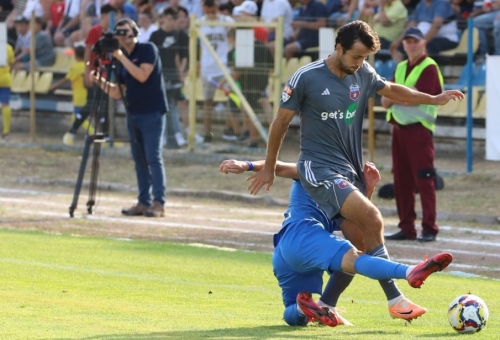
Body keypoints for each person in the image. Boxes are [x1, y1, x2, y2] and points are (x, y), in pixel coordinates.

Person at [246, 21, 463, 282]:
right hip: (319, 169)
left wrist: (433, 98)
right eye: (357, 56)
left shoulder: (363, 73)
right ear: (339, 48)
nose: (360, 62)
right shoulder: (306, 77)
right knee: (372, 219)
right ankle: (400, 289)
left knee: (360, 245)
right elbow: (280, 122)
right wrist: (268, 167)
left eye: (365, 57)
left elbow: (392, 89)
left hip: (349, 169)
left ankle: (329, 303)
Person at [219, 158, 453, 327]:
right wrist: (247, 165)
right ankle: (410, 271)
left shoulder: (326, 179)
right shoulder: (318, 170)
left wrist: (368, 192)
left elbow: (357, 229)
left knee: (295, 312)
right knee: (354, 258)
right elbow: (279, 166)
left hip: (284, 251)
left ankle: (309, 307)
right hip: (304, 237)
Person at [92, 18, 169, 218]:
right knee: (139, 160)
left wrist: (120, 56)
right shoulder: (123, 59)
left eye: (125, 31)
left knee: (153, 158)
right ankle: (144, 202)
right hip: (133, 113)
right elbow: (118, 92)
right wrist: (99, 80)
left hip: (152, 112)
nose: (121, 35)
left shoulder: (147, 49)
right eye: (118, 32)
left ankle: (158, 202)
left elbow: (142, 75)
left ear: (134, 32)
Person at [381, 27, 443, 242]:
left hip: (419, 130)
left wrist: (398, 95)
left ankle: (429, 228)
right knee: (401, 181)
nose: (411, 44)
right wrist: (405, 94)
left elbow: (417, 98)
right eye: (408, 41)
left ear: (424, 43)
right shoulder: (400, 67)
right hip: (399, 130)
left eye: (415, 41)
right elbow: (384, 99)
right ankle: (407, 228)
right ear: (403, 44)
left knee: (425, 180)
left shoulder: (429, 67)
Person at [61, 4, 122, 145]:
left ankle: (105, 136)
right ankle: (72, 132)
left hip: (108, 74)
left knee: (105, 105)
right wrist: (88, 71)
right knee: (91, 104)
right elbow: (88, 51)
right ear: (107, 16)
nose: (117, 18)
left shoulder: (113, 32)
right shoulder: (95, 31)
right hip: (96, 73)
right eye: (115, 15)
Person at [149, 6, 189, 148]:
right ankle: (163, 136)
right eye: (169, 19)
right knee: (161, 108)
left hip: (175, 77)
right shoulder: (155, 35)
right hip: (159, 77)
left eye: (174, 19)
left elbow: (184, 57)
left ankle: (178, 135)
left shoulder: (181, 36)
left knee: (174, 107)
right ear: (163, 19)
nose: (171, 22)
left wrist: (181, 73)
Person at [199, 0, 234, 142]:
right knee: (207, 102)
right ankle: (208, 133)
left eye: (211, 6)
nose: (209, 10)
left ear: (216, 6)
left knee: (231, 100)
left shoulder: (227, 21)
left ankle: (230, 129)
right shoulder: (199, 22)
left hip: (224, 67)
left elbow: (232, 40)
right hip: (207, 68)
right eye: (207, 7)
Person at [49, 46, 94, 145]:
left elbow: (67, 79)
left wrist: (54, 86)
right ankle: (89, 133)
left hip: (79, 96)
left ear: (76, 56)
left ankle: (92, 132)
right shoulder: (89, 66)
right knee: (80, 116)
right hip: (89, 94)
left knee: (77, 116)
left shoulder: (76, 67)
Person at [389, 0, 459, 63]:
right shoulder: (420, 4)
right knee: (399, 48)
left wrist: (421, 43)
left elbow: (436, 26)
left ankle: (424, 74)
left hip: (447, 39)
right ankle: (401, 73)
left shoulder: (441, 3)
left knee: (424, 48)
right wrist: (398, 41)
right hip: (424, 39)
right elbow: (411, 25)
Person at [0, 43, 15, 140]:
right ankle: (6, 132)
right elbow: (12, 64)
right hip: (5, 78)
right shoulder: (8, 47)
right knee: (5, 104)